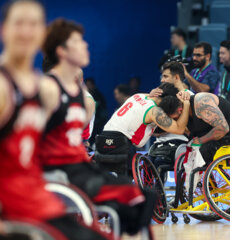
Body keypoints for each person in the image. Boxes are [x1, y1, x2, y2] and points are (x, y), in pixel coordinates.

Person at [0, 1, 109, 239]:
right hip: (11, 205)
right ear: (4, 29)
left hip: (37, 196)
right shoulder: (3, 85)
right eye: (19, 23)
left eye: (35, 25)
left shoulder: (43, 90)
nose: (27, 32)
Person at [40, 18, 155, 235]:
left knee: (144, 197)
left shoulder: (81, 97)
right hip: (57, 169)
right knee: (132, 197)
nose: (86, 45)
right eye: (79, 41)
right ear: (62, 51)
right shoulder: (47, 90)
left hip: (76, 162)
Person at [97, 82, 190, 174]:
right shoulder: (154, 110)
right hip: (121, 144)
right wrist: (186, 104)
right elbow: (179, 129)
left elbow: (153, 95)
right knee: (128, 178)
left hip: (102, 140)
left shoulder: (137, 96)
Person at [187, 92, 230, 163]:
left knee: (199, 154)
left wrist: (200, 140)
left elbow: (223, 128)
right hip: (224, 137)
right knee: (191, 151)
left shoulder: (201, 102)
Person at [85, 77, 107, 144]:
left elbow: (103, 113)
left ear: (93, 85)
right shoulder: (83, 96)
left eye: (90, 84)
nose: (88, 86)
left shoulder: (99, 96)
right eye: (87, 85)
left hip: (98, 125)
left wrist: (98, 122)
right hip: (87, 124)